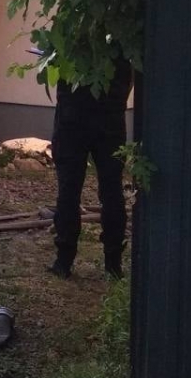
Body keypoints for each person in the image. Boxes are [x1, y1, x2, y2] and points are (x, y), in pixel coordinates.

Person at [49, 55, 133, 280]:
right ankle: (113, 264)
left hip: (73, 113)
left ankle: (63, 261)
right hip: (110, 115)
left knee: (69, 189)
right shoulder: (121, 38)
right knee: (112, 190)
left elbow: (59, 64)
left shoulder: (71, 37)